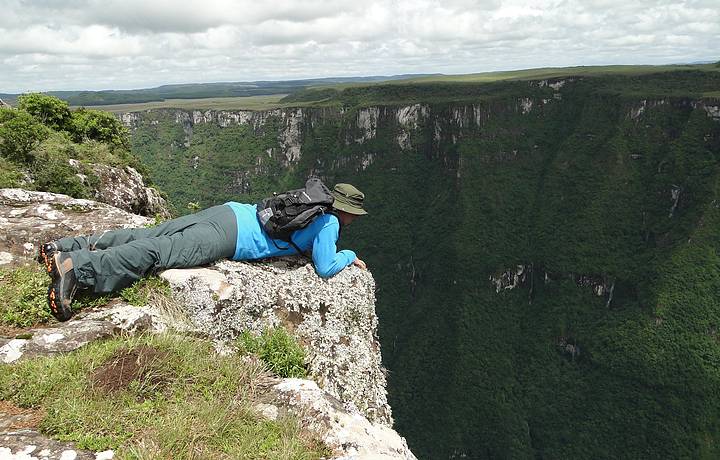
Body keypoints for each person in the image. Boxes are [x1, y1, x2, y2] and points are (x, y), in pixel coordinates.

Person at [40, 183, 368, 322]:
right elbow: (325, 267)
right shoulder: (329, 224)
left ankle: (69, 246)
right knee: (159, 252)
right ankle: (78, 269)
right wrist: (348, 255)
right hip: (231, 235)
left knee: (153, 233)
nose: (354, 218)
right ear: (347, 211)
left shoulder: (313, 203)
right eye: (355, 213)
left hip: (231, 212)